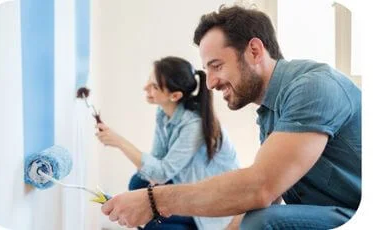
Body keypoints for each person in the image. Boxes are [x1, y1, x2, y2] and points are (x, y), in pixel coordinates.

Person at [100, 5, 361, 230]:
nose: (211, 82)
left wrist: (154, 200)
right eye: (207, 69)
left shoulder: (313, 87)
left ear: (255, 51)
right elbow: (272, 191)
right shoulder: (269, 112)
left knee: (262, 222)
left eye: (217, 66)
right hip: (329, 211)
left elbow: (261, 187)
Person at [95, 56, 240, 229]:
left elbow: (161, 173)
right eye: (150, 80)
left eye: (154, 86)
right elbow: (157, 159)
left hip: (209, 201)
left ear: (175, 95)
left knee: (153, 221)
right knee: (138, 183)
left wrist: (119, 142)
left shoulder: (194, 126)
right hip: (185, 182)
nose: (145, 88)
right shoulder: (163, 113)